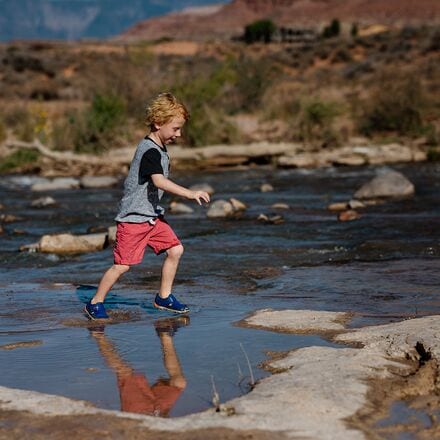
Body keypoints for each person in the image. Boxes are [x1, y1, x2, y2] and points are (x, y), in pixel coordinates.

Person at [84, 93, 210, 319]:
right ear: (158, 123)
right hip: (134, 219)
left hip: (152, 217)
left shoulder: (159, 148)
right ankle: (95, 302)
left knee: (176, 249)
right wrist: (190, 193)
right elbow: (159, 181)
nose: (179, 134)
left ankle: (163, 297)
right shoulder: (150, 151)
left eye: (181, 129)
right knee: (122, 266)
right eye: (175, 129)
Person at [90, 316, 189, 416]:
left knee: (125, 372)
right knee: (179, 383)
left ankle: (97, 332)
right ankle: (164, 331)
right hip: (158, 413)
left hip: (139, 413)